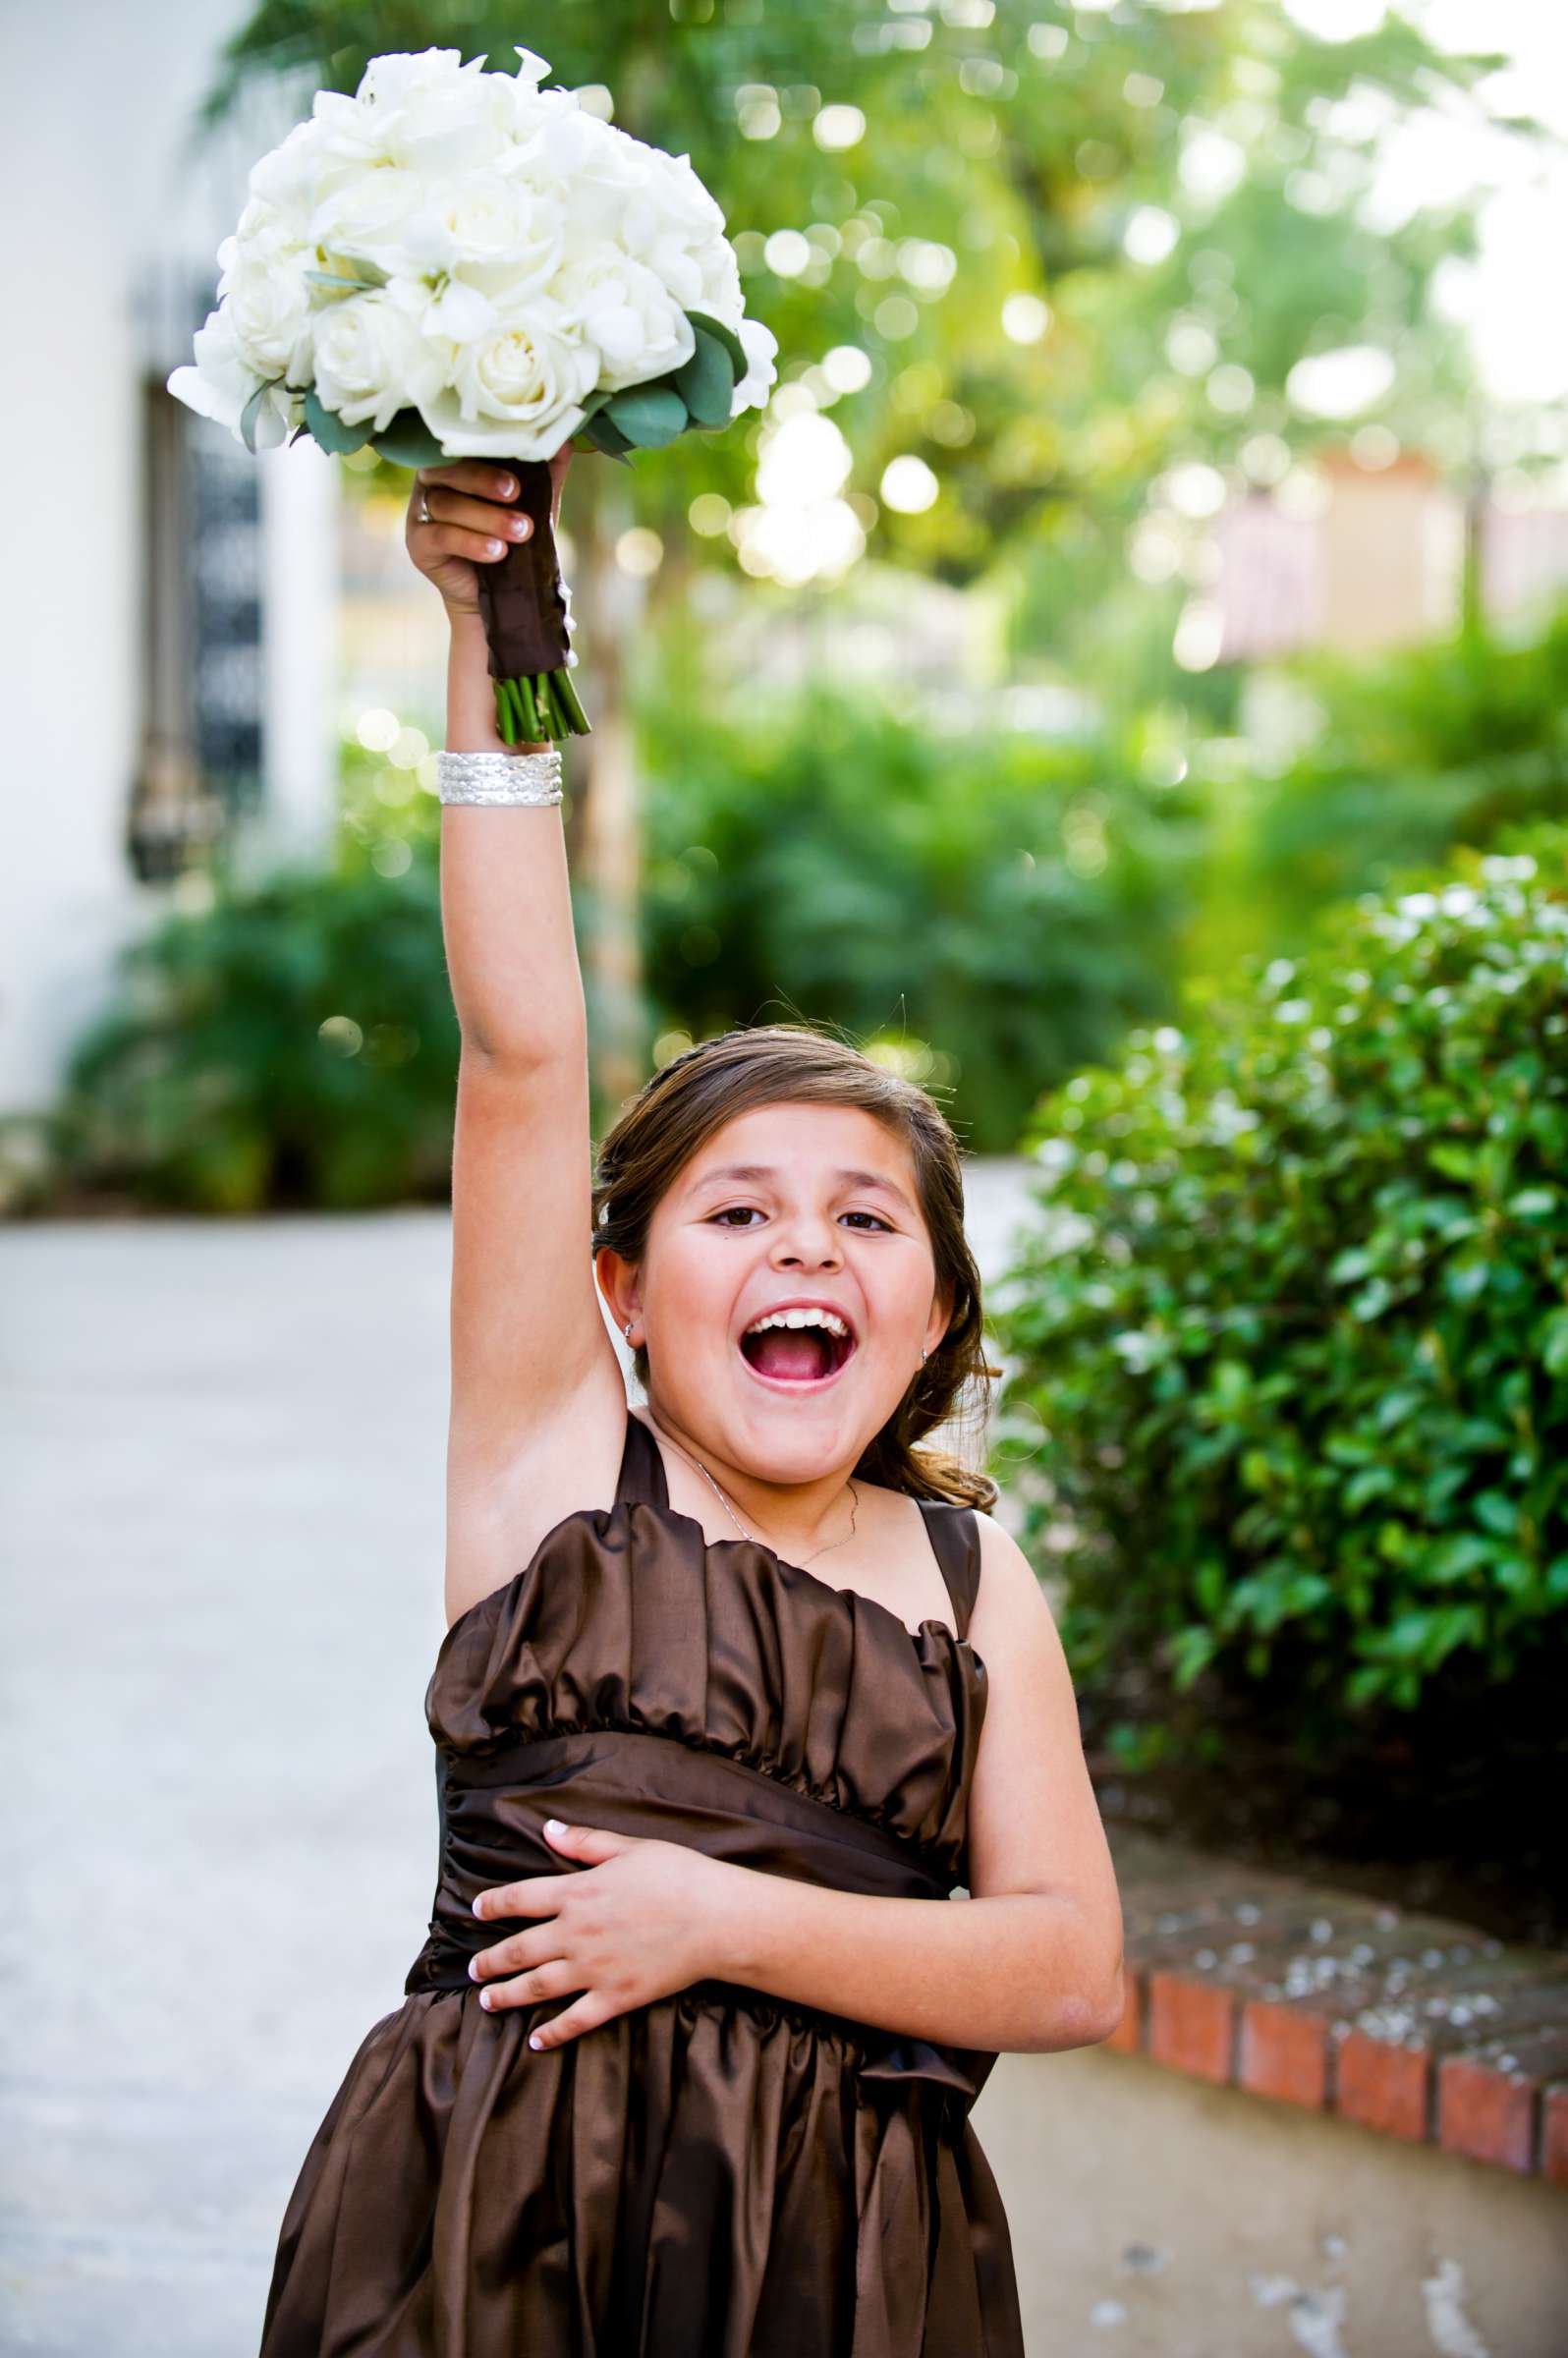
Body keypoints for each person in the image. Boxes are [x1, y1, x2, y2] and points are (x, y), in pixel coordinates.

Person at [257, 448, 1124, 2357]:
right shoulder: (554, 1462)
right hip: (495, 2238)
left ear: (939, 1317)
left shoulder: (973, 1593)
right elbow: (522, 1034)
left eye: (864, 1219)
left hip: (841, 2272)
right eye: (740, 1212)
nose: (803, 1250)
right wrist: (500, 631)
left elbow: (1070, 1968)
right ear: (624, 1292)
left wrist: (725, 1925)